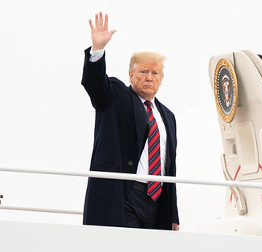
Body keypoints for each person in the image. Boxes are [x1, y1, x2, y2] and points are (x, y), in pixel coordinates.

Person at [81, 12, 179, 231]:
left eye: (155, 73)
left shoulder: (168, 117)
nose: (149, 77)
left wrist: (173, 214)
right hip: (123, 195)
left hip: (157, 201)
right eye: (143, 71)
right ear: (131, 76)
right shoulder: (116, 96)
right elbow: (94, 84)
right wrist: (97, 50)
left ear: (161, 80)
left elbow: (169, 166)